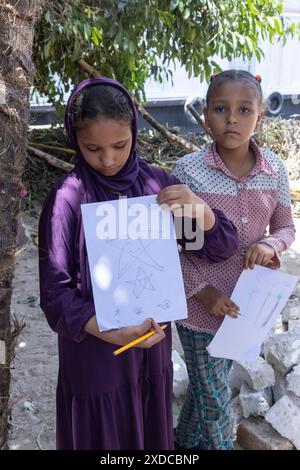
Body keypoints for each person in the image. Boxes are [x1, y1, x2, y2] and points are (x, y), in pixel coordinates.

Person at [38, 77, 239, 450]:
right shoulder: (67, 199)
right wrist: (112, 332)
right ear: (74, 141)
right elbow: (55, 295)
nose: (109, 159)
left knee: (149, 432)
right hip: (96, 355)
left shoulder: (157, 188)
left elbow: (221, 247)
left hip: (150, 351)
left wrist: (204, 213)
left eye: (119, 145)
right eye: (93, 148)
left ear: (134, 129)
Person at [163, 70, 296, 450]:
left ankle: (182, 445)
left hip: (247, 308)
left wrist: (271, 244)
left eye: (243, 109)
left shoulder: (274, 171)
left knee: (208, 390)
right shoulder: (189, 173)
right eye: (221, 109)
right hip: (198, 309)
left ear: (260, 117)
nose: (232, 119)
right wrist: (201, 291)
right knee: (217, 401)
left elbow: (287, 227)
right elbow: (175, 244)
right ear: (206, 116)